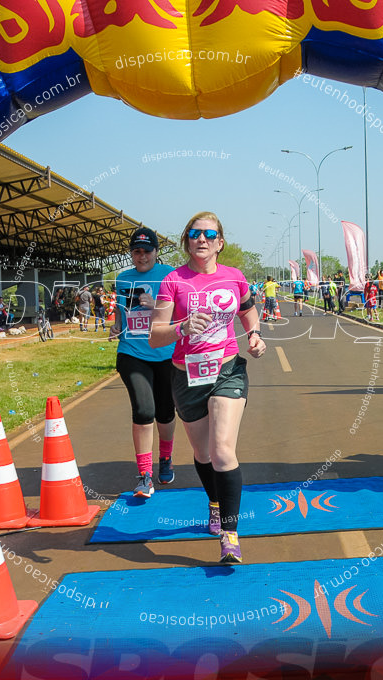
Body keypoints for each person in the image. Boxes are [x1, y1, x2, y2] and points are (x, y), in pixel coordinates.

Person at [149, 211, 266, 564]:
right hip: (186, 377)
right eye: (194, 233)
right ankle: (213, 502)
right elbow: (156, 336)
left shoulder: (234, 277)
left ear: (220, 243)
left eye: (209, 234)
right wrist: (182, 327)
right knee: (202, 455)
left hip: (227, 370)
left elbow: (248, 311)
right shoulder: (173, 281)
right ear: (187, 241)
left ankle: (230, 536)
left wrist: (256, 334)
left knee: (222, 452)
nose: (201, 239)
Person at [109, 227, 177, 498]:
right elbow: (121, 308)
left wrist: (154, 306)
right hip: (132, 352)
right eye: (136, 251)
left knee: (165, 412)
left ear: (156, 252)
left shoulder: (170, 275)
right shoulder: (123, 278)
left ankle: (166, 458)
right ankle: (144, 475)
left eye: (147, 251)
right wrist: (116, 326)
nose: (142, 256)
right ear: (131, 253)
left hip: (165, 353)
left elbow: (181, 310)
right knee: (144, 410)